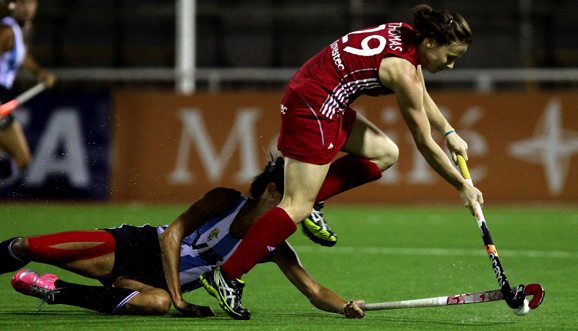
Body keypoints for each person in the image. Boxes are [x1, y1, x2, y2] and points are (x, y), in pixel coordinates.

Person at [200, 4, 485, 320]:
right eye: (450, 57)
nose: (452, 66)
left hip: (319, 96)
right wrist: (462, 185)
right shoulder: (401, 71)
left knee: (385, 152)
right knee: (296, 205)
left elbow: (419, 90)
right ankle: (228, 275)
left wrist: (449, 130)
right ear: (431, 42)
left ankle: (313, 201)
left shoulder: (404, 34)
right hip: (315, 107)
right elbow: (423, 143)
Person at [0, 157, 365, 319]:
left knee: (155, 304)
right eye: (292, 195)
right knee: (27, 246)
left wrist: (345, 306)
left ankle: (54, 290)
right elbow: (171, 236)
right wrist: (179, 297)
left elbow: (314, 291)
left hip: (150, 283)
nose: (298, 207)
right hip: (132, 247)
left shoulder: (272, 245)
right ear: (272, 191)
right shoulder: (225, 200)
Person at [0, 0, 56, 179]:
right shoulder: (6, 32)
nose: (28, 8)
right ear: (13, 5)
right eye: (23, 3)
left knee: (22, 159)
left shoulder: (25, 28)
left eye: (32, 3)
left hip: (3, 100)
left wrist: (40, 73)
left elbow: (21, 56)